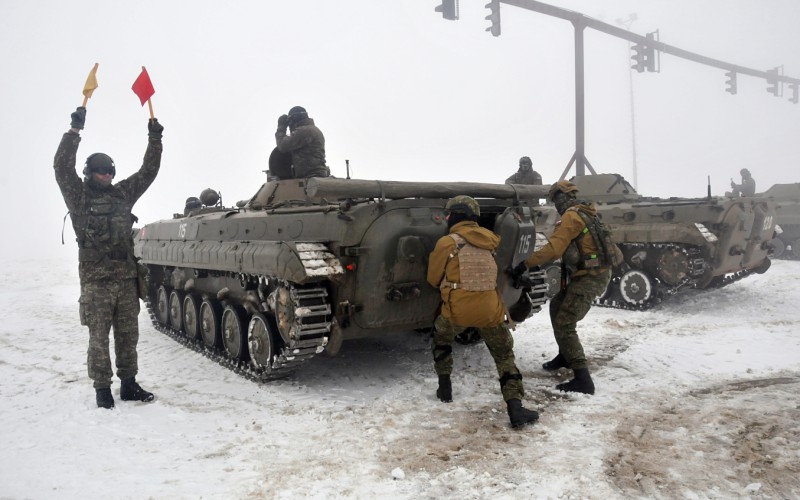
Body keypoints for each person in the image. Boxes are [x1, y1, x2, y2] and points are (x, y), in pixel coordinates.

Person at [54, 106, 163, 409]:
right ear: (90, 173)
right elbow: (62, 169)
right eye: (102, 171)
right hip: (97, 281)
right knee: (99, 338)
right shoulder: (79, 196)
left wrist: (155, 138)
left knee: (128, 336)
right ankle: (102, 388)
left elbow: (147, 172)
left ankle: (128, 383)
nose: (108, 175)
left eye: (111, 171)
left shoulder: (122, 194)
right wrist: (73, 132)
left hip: (126, 279)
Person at [427, 195, 539, 429]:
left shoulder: (447, 242)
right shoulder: (493, 241)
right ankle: (515, 408)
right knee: (504, 355)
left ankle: (445, 388)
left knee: (442, 338)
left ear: (455, 216)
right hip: (490, 309)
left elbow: (432, 279)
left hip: (457, 311)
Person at [510, 181, 611, 395]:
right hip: (590, 272)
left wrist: (525, 263)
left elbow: (553, 250)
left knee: (565, 322)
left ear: (561, 198)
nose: (555, 204)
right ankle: (565, 355)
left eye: (555, 199)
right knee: (556, 306)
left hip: (590, 276)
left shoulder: (572, 217)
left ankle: (583, 379)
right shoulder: (585, 212)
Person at [274, 105, 330, 179]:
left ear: (294, 119)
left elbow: (283, 146)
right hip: (315, 175)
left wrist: (281, 127)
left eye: (290, 121)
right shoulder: (312, 129)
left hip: (310, 176)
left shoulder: (304, 131)